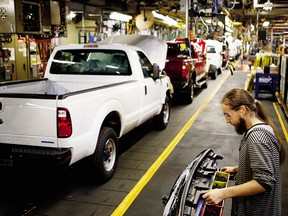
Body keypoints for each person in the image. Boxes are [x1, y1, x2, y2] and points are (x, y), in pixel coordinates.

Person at [202, 88, 286, 215]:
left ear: (242, 110)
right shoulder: (258, 130)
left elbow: (264, 182)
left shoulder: (257, 137)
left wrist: (222, 193)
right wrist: (237, 169)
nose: (227, 121)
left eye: (228, 115)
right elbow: (265, 166)